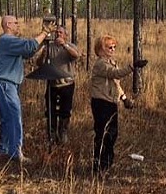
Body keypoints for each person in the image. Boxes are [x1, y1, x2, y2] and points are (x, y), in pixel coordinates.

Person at [0, 15, 50, 163]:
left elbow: (28, 52)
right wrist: (44, 32)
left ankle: (4, 150)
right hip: (5, 83)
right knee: (14, 116)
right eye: (15, 23)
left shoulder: (10, 42)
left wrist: (42, 43)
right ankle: (16, 153)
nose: (18, 25)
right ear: (8, 25)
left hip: (6, 83)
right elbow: (28, 46)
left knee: (7, 117)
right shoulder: (7, 40)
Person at [90, 35, 148, 174]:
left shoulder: (111, 62)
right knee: (103, 134)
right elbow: (116, 74)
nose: (112, 49)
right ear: (100, 49)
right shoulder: (101, 64)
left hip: (111, 102)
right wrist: (132, 67)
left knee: (112, 134)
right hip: (101, 103)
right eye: (109, 47)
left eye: (114, 47)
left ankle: (108, 163)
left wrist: (124, 98)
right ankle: (99, 166)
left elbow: (115, 83)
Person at [36, 26, 81, 144]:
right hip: (52, 85)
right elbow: (39, 63)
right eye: (56, 32)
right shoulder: (49, 47)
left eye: (61, 32)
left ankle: (63, 132)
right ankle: (51, 134)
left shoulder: (70, 46)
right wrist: (43, 54)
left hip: (67, 84)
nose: (58, 34)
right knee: (50, 110)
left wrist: (64, 45)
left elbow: (76, 55)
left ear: (65, 35)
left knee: (65, 110)